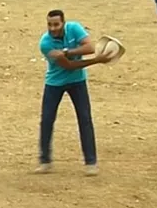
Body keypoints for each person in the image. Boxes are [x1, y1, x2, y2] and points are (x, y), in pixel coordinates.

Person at [36, 9, 110, 176]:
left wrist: (67, 51)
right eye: (49, 24)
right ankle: (45, 161)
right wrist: (97, 61)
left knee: (85, 120)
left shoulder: (74, 28)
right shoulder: (45, 43)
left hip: (77, 81)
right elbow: (69, 66)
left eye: (56, 24)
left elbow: (90, 47)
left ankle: (91, 162)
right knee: (47, 120)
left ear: (64, 23)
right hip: (54, 83)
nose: (53, 28)